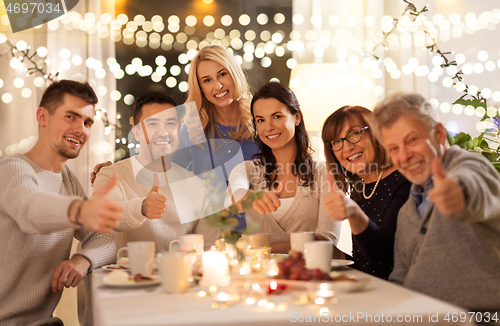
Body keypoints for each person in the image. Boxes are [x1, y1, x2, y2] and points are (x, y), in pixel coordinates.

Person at [0, 80, 122, 325]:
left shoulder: (68, 180)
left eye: (87, 122)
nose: (81, 129)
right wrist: (80, 210)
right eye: (71, 117)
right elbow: (30, 210)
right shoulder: (11, 169)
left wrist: (83, 259)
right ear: (42, 117)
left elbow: (106, 239)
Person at [371, 92, 500, 312]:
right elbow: (400, 280)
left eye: (412, 140)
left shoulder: (469, 166)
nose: (404, 156)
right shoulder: (407, 210)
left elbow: (476, 187)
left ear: (439, 134)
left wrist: (459, 194)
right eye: (394, 148)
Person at [92, 91, 219, 252]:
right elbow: (108, 216)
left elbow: (207, 249)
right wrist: (142, 208)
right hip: (122, 276)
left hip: (178, 275)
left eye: (170, 124)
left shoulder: (199, 187)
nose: (163, 132)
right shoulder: (109, 176)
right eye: (152, 124)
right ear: (136, 133)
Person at [227, 82, 341, 253]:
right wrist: (251, 197)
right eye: (260, 120)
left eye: (277, 116)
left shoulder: (324, 172)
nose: (269, 127)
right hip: (259, 276)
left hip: (308, 275)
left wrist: (260, 249)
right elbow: (234, 196)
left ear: (297, 117)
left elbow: (327, 241)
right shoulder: (247, 169)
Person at [172, 45, 259, 230]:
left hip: (260, 231)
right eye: (207, 80)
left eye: (222, 74)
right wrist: (114, 169)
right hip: (212, 235)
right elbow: (165, 171)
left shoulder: (260, 121)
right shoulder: (193, 129)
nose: (218, 86)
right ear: (200, 87)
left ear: (234, 74)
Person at [321, 106, 411, 279]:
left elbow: (385, 259)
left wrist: (353, 213)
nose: (347, 147)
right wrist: (333, 253)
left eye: (354, 134)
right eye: (336, 142)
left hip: (401, 295)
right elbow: (367, 264)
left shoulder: (405, 178)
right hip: (371, 291)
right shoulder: (359, 188)